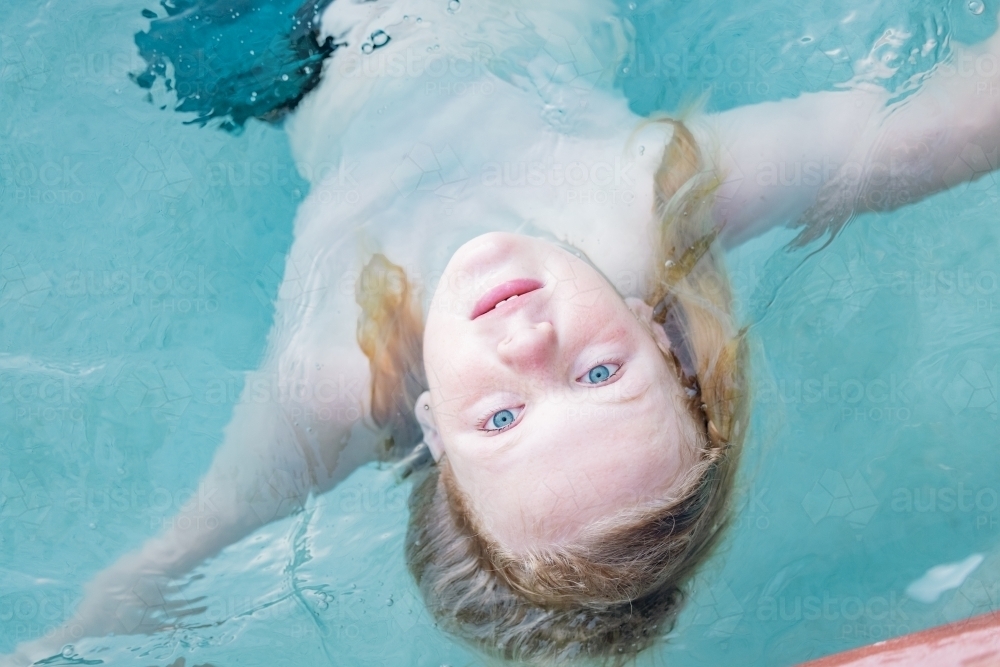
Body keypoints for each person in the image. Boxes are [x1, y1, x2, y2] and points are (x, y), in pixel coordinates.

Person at [8, 0, 1000, 663]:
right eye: (601, 370)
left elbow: (193, 542)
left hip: (280, 51)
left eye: (502, 420)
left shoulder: (333, 379)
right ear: (659, 335)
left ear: (432, 428)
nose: (530, 347)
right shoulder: (652, 203)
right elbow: (928, 138)